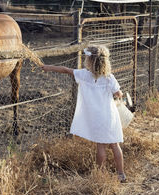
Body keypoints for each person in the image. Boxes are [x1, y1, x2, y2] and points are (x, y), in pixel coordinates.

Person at [41, 45, 126, 183]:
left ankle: (100, 174)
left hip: (97, 118)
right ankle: (121, 174)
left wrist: (48, 67)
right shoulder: (109, 78)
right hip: (110, 116)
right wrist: (118, 95)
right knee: (115, 145)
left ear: (90, 61)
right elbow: (118, 93)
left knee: (101, 147)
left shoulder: (84, 75)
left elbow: (65, 70)